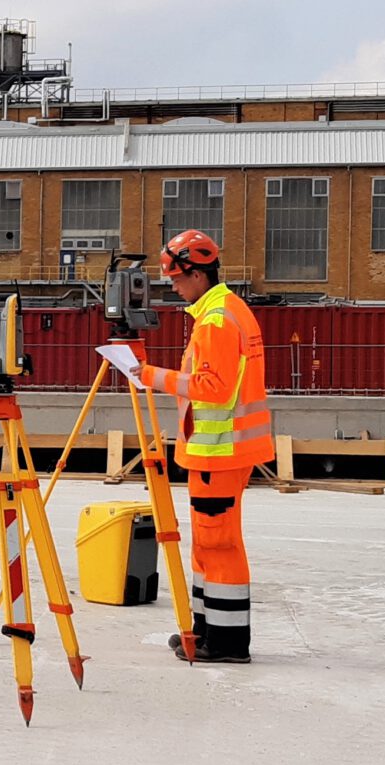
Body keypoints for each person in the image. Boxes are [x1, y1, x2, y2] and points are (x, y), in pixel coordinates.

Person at [119, 229, 272, 664]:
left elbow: (214, 389)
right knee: (208, 544)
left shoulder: (218, 320)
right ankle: (205, 629)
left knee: (218, 545)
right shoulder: (225, 311)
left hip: (220, 453)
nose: (174, 288)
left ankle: (225, 643)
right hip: (220, 452)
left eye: (177, 279)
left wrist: (147, 374)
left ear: (197, 274)